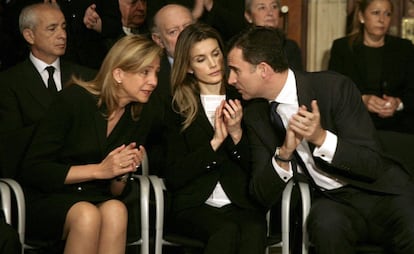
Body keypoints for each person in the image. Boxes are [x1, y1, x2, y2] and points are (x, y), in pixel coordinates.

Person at [227, 26, 414, 254]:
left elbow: (372, 164)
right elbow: (260, 194)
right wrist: (283, 154)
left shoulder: (333, 88)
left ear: (263, 70)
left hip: (381, 192)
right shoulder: (256, 116)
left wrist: (321, 138)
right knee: (325, 225)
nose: (230, 79)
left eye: (236, 70)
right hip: (332, 201)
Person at [18, 34, 162, 254]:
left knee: (116, 210)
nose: (154, 81)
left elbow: (115, 191)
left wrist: (122, 171)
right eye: (145, 72)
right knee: (87, 215)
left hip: (96, 197)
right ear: (118, 74)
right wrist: (100, 170)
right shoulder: (74, 100)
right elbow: (35, 170)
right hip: (49, 198)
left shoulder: (140, 114)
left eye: (156, 72)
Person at [163, 22, 266, 254]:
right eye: (201, 59)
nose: (212, 64)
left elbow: (257, 169)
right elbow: (173, 175)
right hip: (194, 205)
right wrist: (215, 143)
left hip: (240, 203)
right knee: (225, 231)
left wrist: (237, 134)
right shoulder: (176, 108)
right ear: (188, 67)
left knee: (254, 229)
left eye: (215, 54)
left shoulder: (247, 99)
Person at [0, 2, 95, 179]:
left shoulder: (86, 77)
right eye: (52, 29)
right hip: (34, 180)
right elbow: (11, 145)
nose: (63, 35)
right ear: (29, 35)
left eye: (64, 27)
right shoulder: (8, 83)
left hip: (85, 176)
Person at [328, 0, 414, 134]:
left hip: (398, 127)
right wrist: (362, 100)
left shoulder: (404, 48)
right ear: (361, 17)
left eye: (387, 14)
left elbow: (412, 90)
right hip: (354, 126)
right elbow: (333, 91)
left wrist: (398, 103)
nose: (382, 19)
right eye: (376, 13)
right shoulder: (342, 48)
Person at [150, 4, 194, 102]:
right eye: (173, 31)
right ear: (159, 40)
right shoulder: (152, 78)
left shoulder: (222, 66)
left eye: (188, 27)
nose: (184, 35)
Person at [244, 0, 303, 70]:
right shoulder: (243, 47)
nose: (270, 13)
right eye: (262, 8)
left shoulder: (290, 47)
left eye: (274, 7)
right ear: (248, 16)